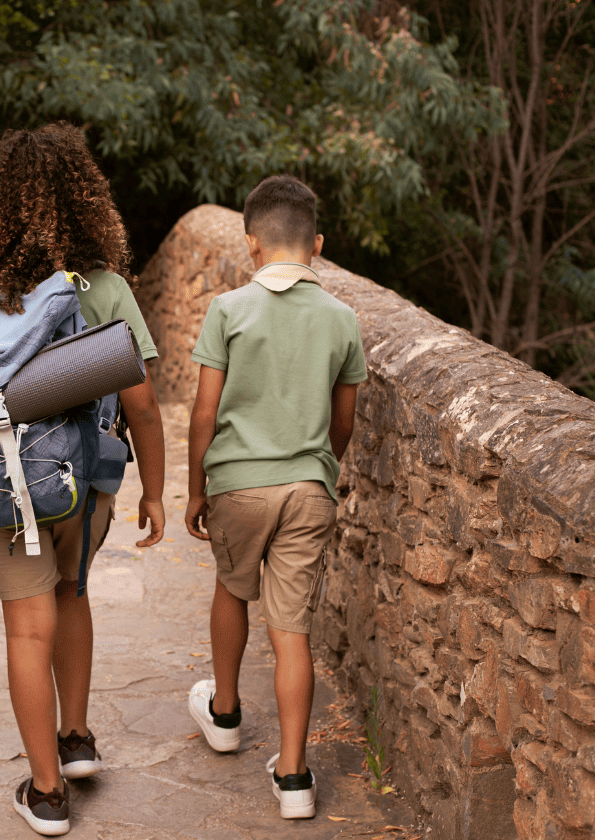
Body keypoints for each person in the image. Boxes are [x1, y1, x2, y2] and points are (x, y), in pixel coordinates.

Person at [0, 124, 166, 836]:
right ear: (86, 199)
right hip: (88, 489)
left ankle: (46, 793)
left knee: (26, 630)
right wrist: (157, 493)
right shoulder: (104, 289)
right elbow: (141, 406)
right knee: (73, 594)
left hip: (12, 491)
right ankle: (76, 739)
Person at [184, 174, 366, 819]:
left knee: (233, 588)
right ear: (316, 242)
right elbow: (342, 423)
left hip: (238, 483)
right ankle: (294, 778)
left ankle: (226, 714)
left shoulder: (230, 310)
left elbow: (204, 413)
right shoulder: (343, 319)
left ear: (251, 244)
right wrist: (318, 468)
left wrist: (194, 489)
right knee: (293, 631)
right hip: (309, 487)